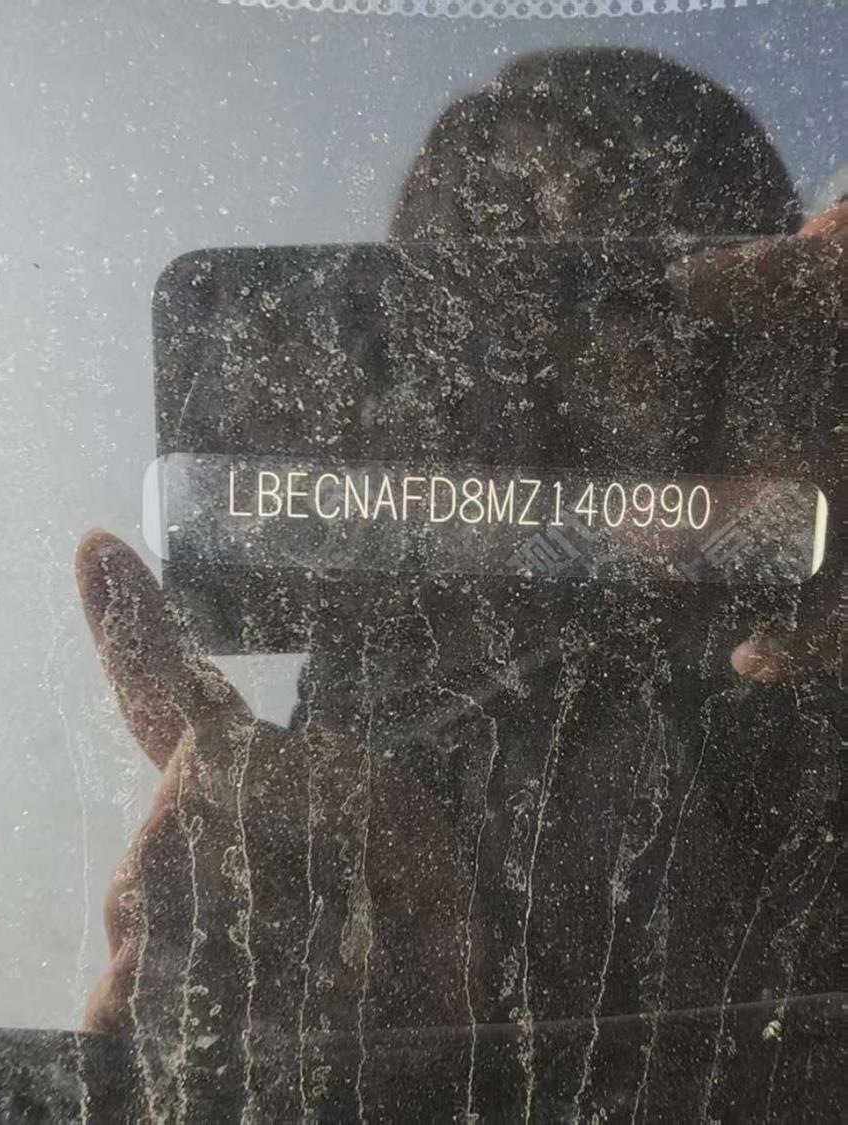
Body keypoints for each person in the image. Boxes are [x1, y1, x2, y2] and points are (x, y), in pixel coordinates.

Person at [74, 48, 844, 1119]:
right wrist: (237, 1052)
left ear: (779, 343)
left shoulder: (808, 697)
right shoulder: (332, 768)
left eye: (627, 296)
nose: (543, 379)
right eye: (476, 320)